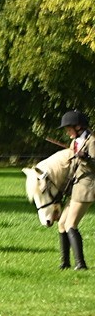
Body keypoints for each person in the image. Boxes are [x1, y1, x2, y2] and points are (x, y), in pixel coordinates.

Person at [58, 110, 93, 271]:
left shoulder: (92, 141)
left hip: (86, 187)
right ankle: (65, 263)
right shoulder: (75, 143)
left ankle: (81, 264)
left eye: (68, 128)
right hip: (75, 187)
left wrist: (86, 158)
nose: (67, 131)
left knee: (71, 224)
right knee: (61, 224)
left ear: (78, 127)